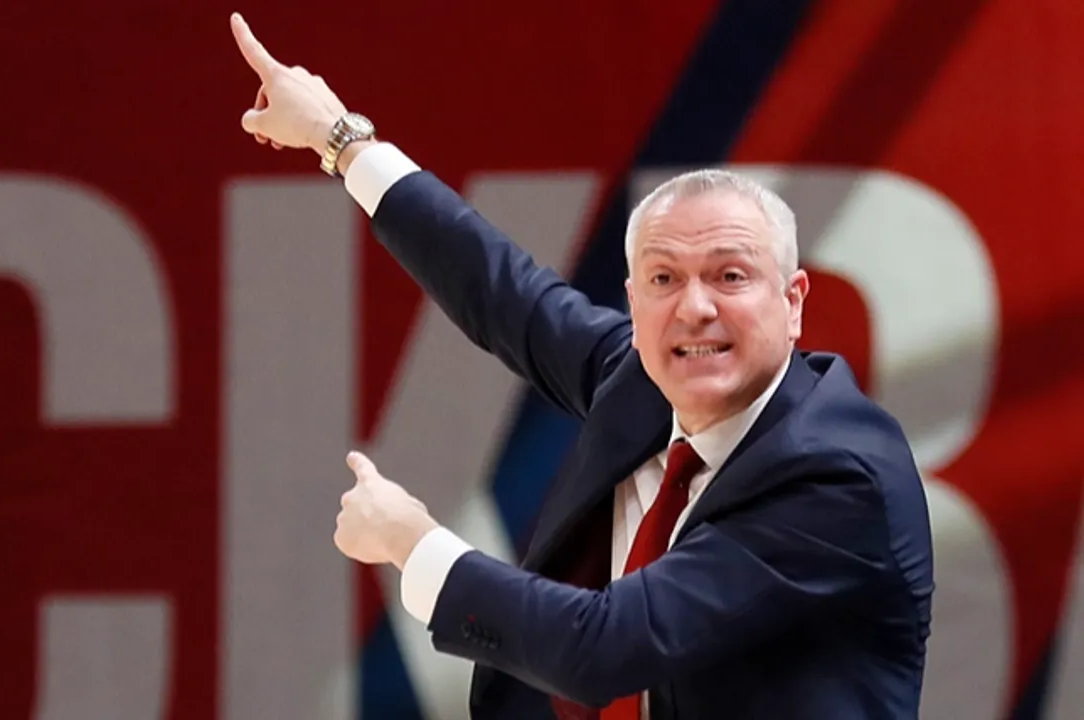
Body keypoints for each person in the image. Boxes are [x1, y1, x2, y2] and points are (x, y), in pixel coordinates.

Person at [227, 13, 934, 720]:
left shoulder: (837, 474)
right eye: (664, 279)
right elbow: (504, 295)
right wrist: (341, 140)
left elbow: (604, 649)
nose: (694, 309)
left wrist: (410, 542)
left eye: (730, 276)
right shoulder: (643, 379)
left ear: (793, 301)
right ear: (634, 299)